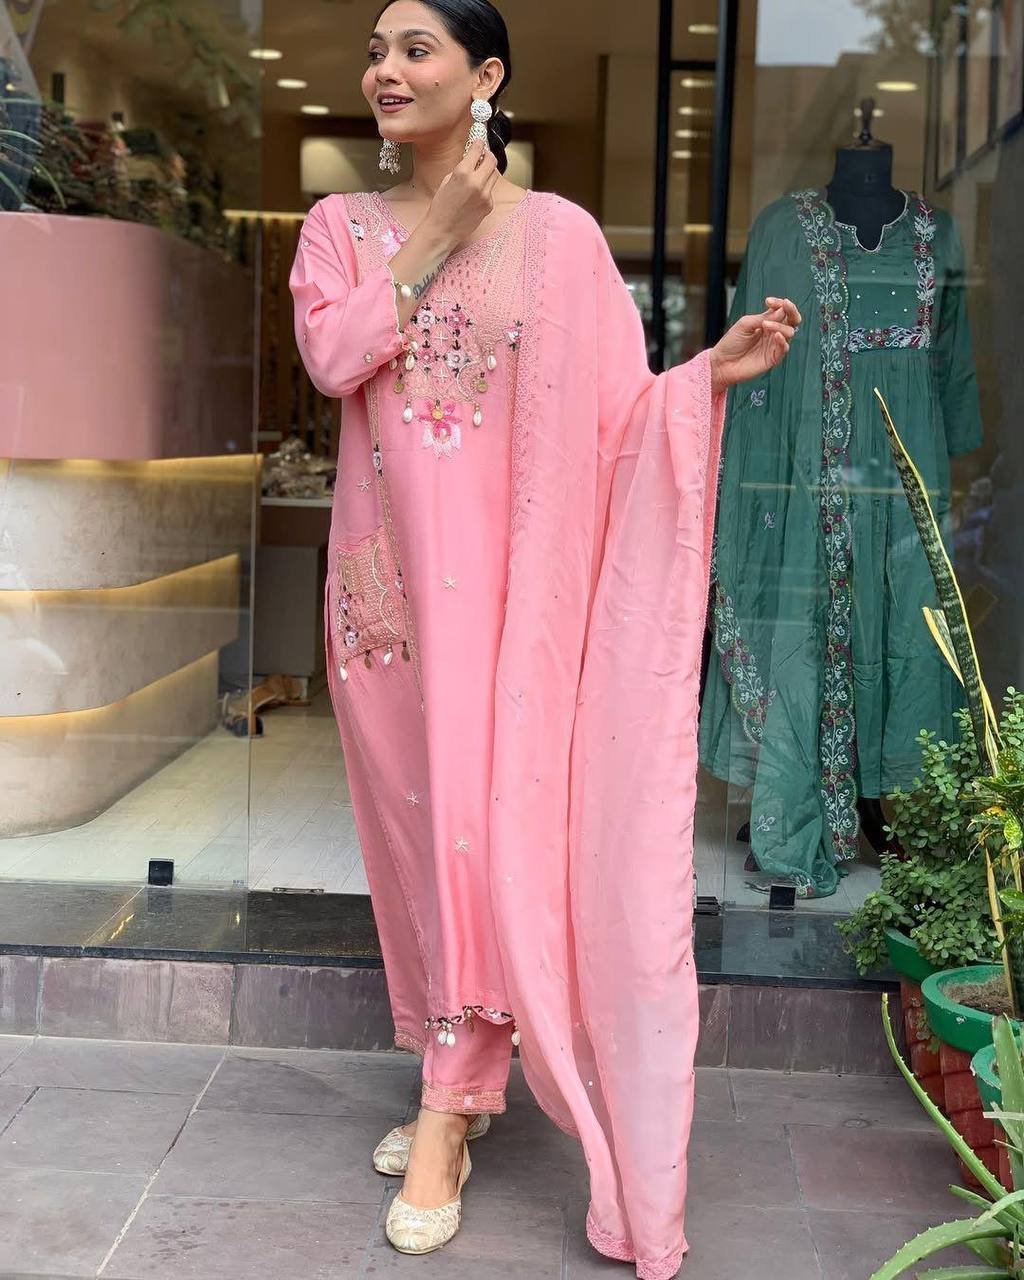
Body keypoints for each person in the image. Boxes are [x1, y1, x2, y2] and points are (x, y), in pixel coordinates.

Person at [289, 2, 799, 1274]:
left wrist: (702, 383)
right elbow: (333, 357)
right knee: (419, 843)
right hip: (388, 599)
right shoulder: (337, 227)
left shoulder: (562, 237)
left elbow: (616, 420)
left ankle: (447, 1110)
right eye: (376, 51)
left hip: (515, 608)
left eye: (415, 48)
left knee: (486, 827)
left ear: (486, 75)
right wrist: (437, 233)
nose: (386, 69)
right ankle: (454, 1069)